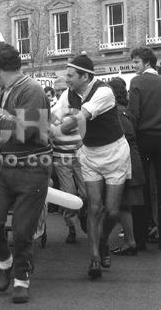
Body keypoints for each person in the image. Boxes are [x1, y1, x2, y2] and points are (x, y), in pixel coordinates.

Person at [0, 42, 52, 304]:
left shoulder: (32, 89)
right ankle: (5, 260)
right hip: (2, 165)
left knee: (22, 231)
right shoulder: (5, 89)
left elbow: (25, 131)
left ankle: (22, 278)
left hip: (32, 167)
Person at [53, 52, 131, 279]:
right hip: (89, 154)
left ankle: (103, 241)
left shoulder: (104, 92)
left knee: (113, 211)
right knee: (95, 208)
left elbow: (80, 118)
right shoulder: (69, 94)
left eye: (70, 75)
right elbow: (52, 114)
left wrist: (56, 132)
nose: (66, 79)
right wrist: (30, 124)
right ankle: (95, 258)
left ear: (85, 77)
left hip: (115, 153)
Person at [108, 77, 146, 253]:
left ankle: (131, 242)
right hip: (133, 160)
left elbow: (123, 138)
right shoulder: (127, 111)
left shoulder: (116, 113)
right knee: (131, 204)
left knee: (123, 204)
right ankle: (135, 241)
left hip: (125, 161)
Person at [128, 46, 161, 248]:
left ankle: (143, 232)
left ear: (147, 62)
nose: (134, 66)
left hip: (144, 138)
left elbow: (134, 114)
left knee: (142, 186)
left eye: (136, 62)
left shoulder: (137, 81)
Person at [50, 90, 87, 244]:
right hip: (62, 158)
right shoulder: (52, 113)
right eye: (56, 90)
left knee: (86, 193)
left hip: (80, 157)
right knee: (69, 194)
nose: (58, 92)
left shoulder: (81, 111)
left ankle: (84, 216)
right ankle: (71, 227)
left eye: (61, 90)